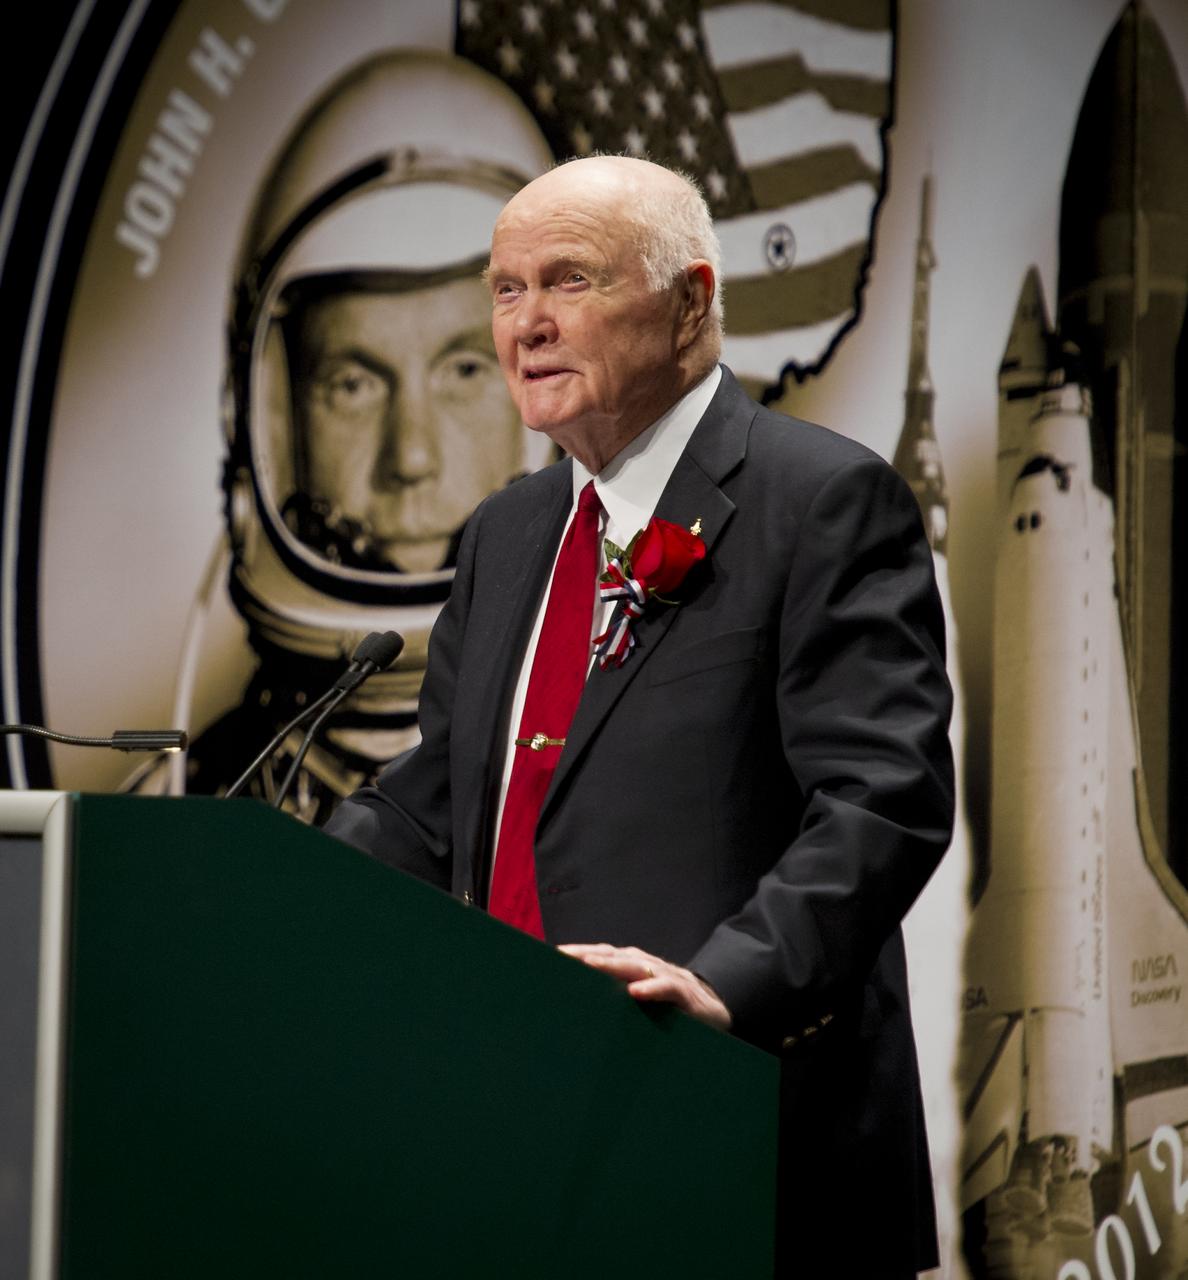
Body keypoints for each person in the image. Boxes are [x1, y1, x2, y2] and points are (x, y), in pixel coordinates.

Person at [324, 155, 954, 1276]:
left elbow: (883, 798)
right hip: (524, 1142)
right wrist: (282, 883)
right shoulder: (507, 534)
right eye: (506, 290)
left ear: (692, 302)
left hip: (748, 1142)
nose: (529, 323)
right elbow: (446, 800)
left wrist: (727, 981)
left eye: (569, 280)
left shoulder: (821, 501)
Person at [124, 50, 554, 820]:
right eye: (354, 385)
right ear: (268, 419)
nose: (412, 457)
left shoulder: (652, 789)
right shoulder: (178, 820)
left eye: (462, 372)